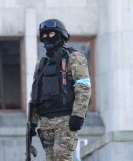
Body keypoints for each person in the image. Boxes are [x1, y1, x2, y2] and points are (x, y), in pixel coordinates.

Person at [28, 19, 91, 161]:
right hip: (45, 123)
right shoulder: (41, 64)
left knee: (61, 157)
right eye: (44, 35)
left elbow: (83, 87)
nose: (47, 38)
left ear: (61, 35)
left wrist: (78, 115)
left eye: (51, 33)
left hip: (65, 121)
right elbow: (35, 95)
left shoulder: (74, 57)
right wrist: (32, 122)